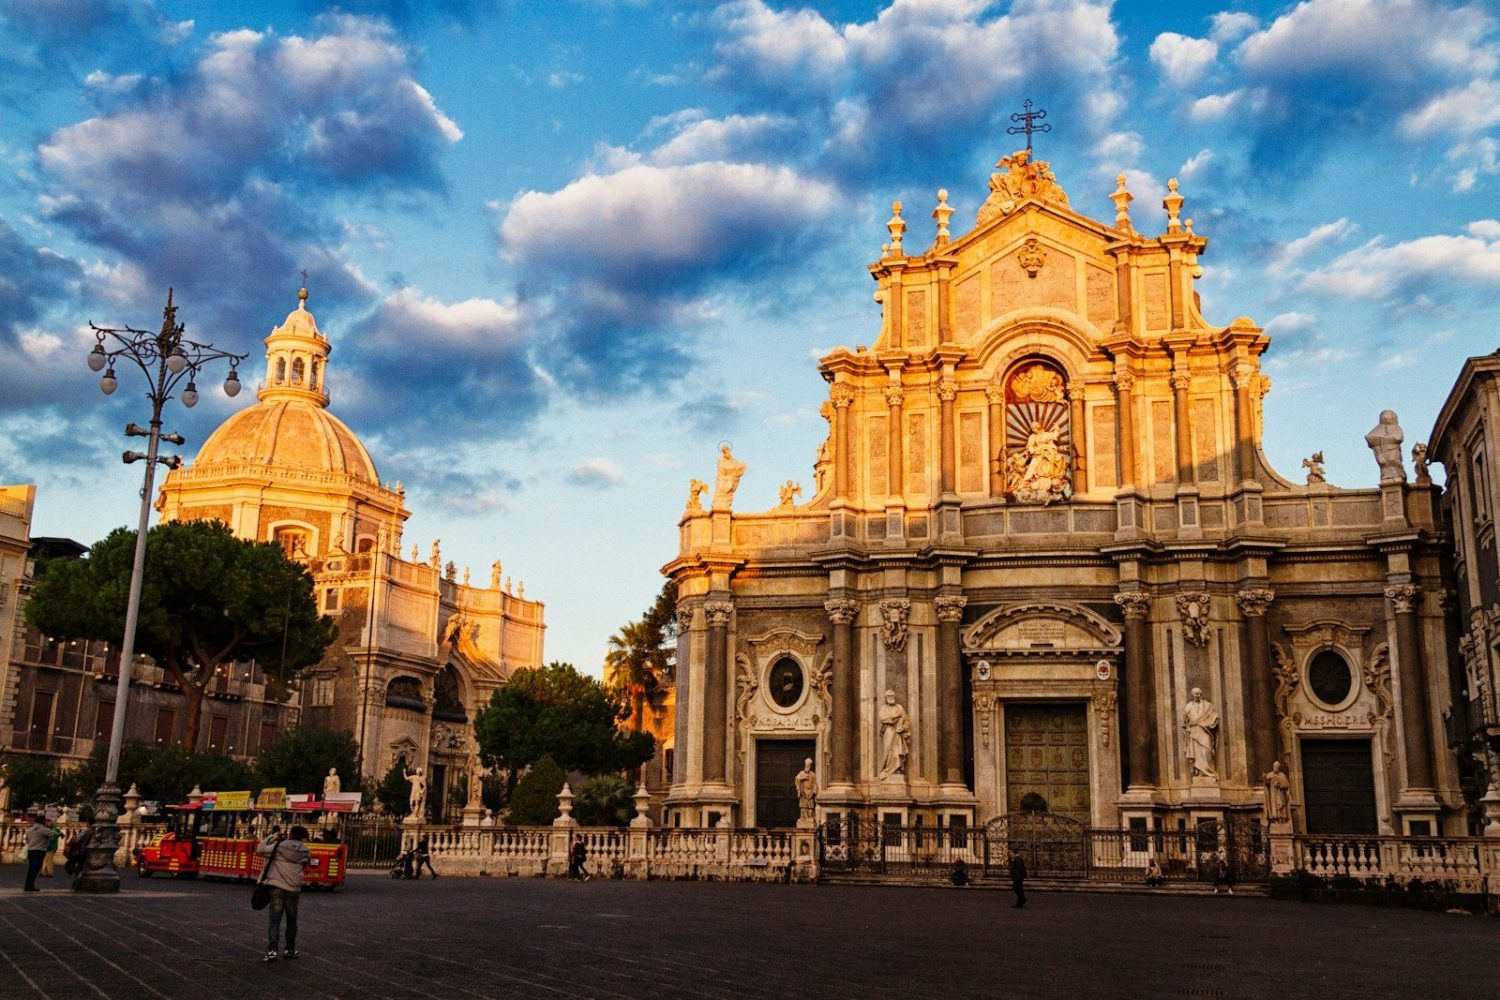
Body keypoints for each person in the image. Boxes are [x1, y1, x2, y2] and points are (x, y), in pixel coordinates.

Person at [256, 824, 310, 962]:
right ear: (303, 836)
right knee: (292, 921)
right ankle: (289, 949)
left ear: (290, 833)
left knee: (275, 920)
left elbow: (260, 850)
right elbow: (305, 865)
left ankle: (272, 950)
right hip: (294, 889)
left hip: (277, 887)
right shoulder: (305, 850)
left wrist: (273, 837)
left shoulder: (279, 846)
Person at [22, 813, 50, 892]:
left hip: (31, 850)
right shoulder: (43, 829)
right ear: (42, 821)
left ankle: (27, 885)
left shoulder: (29, 830)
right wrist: (59, 834)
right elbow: (53, 834)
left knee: (31, 869)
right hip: (39, 851)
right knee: (35, 869)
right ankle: (30, 886)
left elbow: (27, 840)